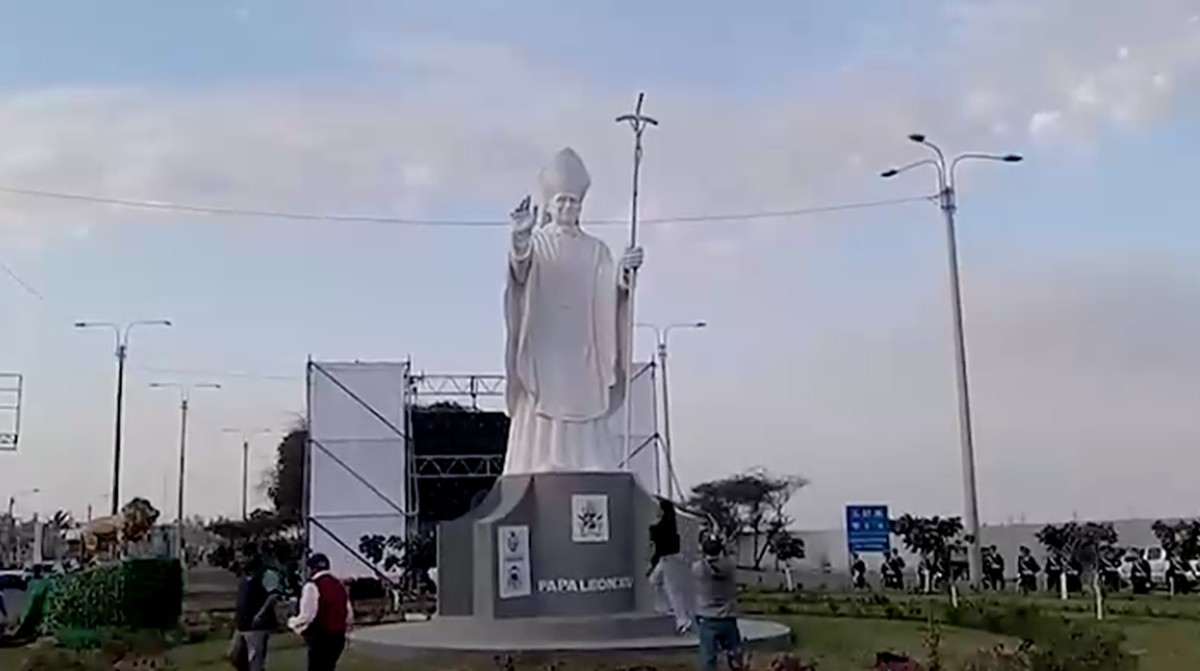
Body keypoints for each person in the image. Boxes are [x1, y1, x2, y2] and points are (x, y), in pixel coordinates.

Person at [502, 147, 644, 475]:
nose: (568, 207)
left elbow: (611, 287)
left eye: (574, 202)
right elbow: (520, 273)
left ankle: (586, 459)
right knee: (545, 394)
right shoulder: (538, 243)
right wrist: (520, 238)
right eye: (562, 201)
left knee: (584, 394)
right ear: (550, 205)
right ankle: (542, 458)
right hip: (546, 340)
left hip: (584, 340)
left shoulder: (596, 249)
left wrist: (625, 272)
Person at [288, 554, 353, 671]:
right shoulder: (339, 585)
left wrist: (292, 622)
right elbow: (348, 614)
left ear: (312, 568)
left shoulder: (312, 586)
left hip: (321, 637)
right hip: (338, 637)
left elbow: (308, 616)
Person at [693, 535, 745, 671]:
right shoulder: (730, 565)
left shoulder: (698, 568)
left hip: (707, 617)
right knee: (735, 654)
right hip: (728, 616)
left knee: (708, 656)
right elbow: (731, 553)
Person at [647, 498, 693, 634]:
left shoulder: (658, 527)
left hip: (668, 560)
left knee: (673, 591)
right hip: (668, 559)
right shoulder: (671, 525)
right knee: (655, 581)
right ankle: (664, 608)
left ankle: (682, 620)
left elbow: (653, 543)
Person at [232, 552, 282, 671]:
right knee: (236, 657)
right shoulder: (245, 575)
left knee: (254, 659)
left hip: (257, 624)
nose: (241, 561)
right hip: (242, 622)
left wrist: (260, 614)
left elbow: (273, 596)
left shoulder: (266, 574)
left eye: (243, 557)